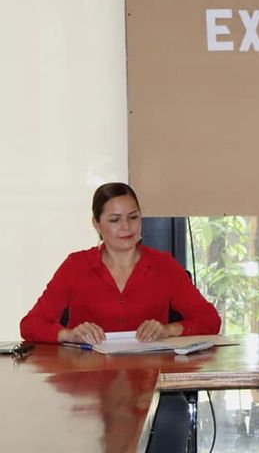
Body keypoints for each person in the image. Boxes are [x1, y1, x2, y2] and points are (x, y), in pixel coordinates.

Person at [20, 182, 221, 453]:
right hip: (88, 389)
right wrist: (68, 333)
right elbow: (31, 324)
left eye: (133, 217)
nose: (126, 227)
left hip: (153, 385)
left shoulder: (164, 266)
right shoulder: (75, 266)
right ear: (96, 223)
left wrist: (169, 328)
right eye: (114, 220)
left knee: (173, 417)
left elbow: (210, 320)